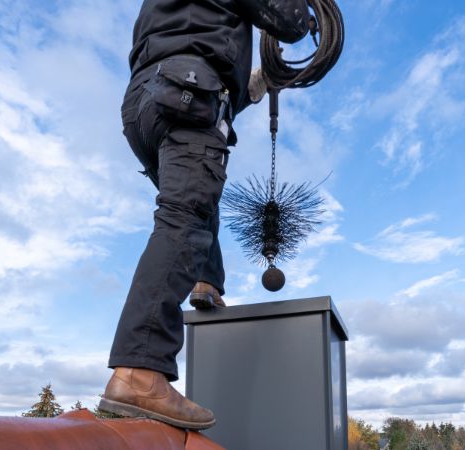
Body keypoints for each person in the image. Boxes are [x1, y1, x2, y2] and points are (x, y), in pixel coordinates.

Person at [99, 0, 310, 430]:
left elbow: (194, 46)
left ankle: (207, 282)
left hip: (146, 103)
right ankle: (140, 371)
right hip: (187, 94)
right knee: (186, 217)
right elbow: (289, 20)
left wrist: (253, 85)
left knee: (195, 201)